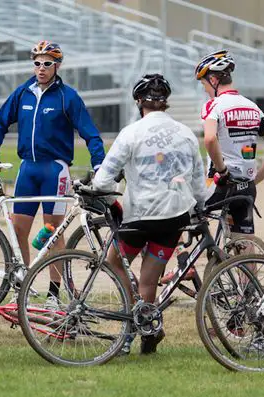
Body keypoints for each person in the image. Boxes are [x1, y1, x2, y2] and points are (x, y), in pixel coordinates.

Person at [91, 74, 208, 355]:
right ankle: (148, 329)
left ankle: (130, 328)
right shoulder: (186, 133)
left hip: (140, 215)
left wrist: (111, 198)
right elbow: (198, 185)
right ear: (165, 103)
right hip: (174, 216)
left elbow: (102, 182)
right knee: (148, 280)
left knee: (114, 261)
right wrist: (198, 207)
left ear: (138, 102)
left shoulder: (130, 133)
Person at [0, 40, 106, 301]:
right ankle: (23, 287)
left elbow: (91, 135)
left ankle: (54, 294)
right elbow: (0, 122)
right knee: (19, 232)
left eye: (47, 63)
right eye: (37, 63)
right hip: (27, 169)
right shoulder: (23, 92)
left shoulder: (67, 96)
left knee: (51, 233)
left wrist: (100, 165)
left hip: (55, 170)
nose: (41, 68)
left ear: (57, 66)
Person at [196, 50, 264, 238]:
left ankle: (185, 262)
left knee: (181, 212)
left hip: (221, 184)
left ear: (213, 80)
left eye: (204, 83)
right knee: (244, 245)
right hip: (246, 187)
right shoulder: (252, 106)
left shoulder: (213, 105)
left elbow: (210, 138)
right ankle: (244, 266)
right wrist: (254, 180)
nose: (204, 89)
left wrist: (222, 171)